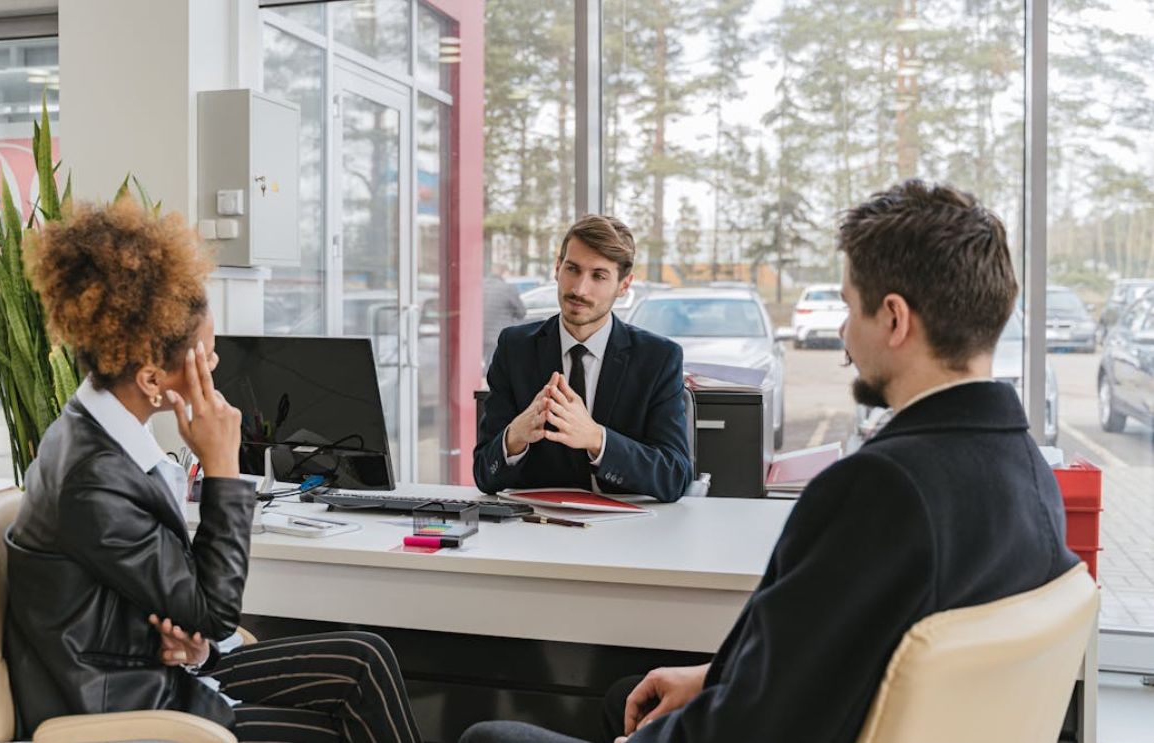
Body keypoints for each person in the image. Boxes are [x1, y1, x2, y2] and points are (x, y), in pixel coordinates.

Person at [461, 180, 1080, 743]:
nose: (841, 334)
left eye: (848, 305)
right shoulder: (1029, 472)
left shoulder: (876, 488)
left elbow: (753, 721)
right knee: (631, 693)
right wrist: (715, 677)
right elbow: (835, 657)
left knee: (488, 738)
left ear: (892, 318)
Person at [3, 199, 422, 743]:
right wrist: (224, 465)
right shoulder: (94, 476)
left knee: (365, 656)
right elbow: (214, 612)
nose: (217, 363)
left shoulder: (95, 428)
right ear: (153, 379)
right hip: (127, 704)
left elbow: (185, 607)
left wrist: (197, 639)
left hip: (155, 665)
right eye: (205, 355)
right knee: (336, 726)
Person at [473, 214, 691, 503]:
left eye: (599, 276)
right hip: (533, 533)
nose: (579, 289)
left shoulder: (658, 359)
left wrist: (596, 439)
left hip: (629, 534)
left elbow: (674, 476)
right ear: (557, 269)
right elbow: (484, 475)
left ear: (624, 285)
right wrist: (515, 436)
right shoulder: (515, 348)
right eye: (572, 269)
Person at [484, 262, 527, 367]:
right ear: (504, 273)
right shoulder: (507, 288)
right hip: (498, 336)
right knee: (494, 369)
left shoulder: (481, 286)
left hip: (480, 335)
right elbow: (521, 312)